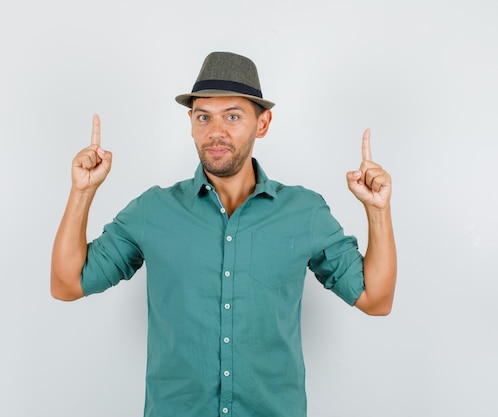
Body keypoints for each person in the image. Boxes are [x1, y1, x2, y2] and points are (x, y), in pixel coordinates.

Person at [50, 51, 396, 417]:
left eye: (233, 116)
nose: (216, 132)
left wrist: (377, 211)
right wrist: (82, 192)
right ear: (191, 122)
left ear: (262, 124)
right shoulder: (153, 210)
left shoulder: (304, 212)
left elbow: (376, 300)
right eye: (204, 117)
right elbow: (67, 284)